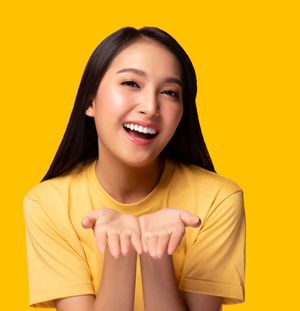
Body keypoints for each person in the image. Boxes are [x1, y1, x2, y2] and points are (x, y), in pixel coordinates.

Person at [23, 26, 246, 311]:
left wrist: (156, 256)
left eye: (169, 92)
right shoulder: (47, 203)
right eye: (131, 83)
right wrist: (122, 253)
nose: (150, 107)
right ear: (90, 100)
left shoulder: (218, 200)